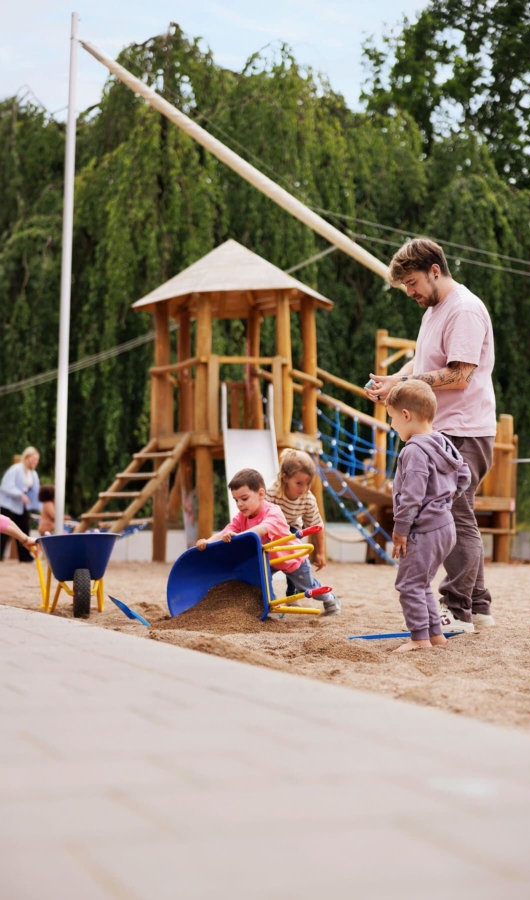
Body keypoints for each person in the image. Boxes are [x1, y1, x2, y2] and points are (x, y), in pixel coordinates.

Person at [366, 239, 496, 632]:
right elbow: (427, 361)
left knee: (453, 515)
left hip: (465, 429)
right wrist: (395, 380)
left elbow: (458, 375)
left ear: (434, 270)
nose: (410, 292)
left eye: (411, 282)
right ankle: (478, 604)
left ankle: (456, 609)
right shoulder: (435, 310)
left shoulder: (464, 309)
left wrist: (405, 384)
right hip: (446, 428)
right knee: (459, 513)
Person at [387, 381, 471, 652]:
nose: (392, 425)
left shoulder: (413, 450)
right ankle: (436, 635)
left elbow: (412, 495)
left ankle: (419, 639)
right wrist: (444, 500)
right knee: (422, 582)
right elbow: (465, 476)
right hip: (446, 526)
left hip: (423, 530)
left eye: (392, 418)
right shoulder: (443, 442)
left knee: (409, 584)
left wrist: (401, 528)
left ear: (406, 415)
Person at [196, 467, 340, 615]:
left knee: (307, 588)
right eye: (236, 500)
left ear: (261, 494)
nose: (239, 504)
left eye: (244, 499)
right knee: (259, 582)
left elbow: (261, 530)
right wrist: (208, 541)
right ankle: (273, 609)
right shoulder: (241, 517)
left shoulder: (273, 512)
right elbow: (225, 531)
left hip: (292, 558)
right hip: (269, 560)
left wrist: (237, 537)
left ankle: (329, 598)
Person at [0, 446, 41, 562]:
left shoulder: (33, 474)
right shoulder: (16, 469)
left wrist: (39, 507)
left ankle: (25, 556)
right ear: (27, 457)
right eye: (34, 459)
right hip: (8, 504)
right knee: (4, 531)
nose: (36, 462)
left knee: (24, 528)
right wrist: (20, 494)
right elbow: (5, 486)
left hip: (21, 506)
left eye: (37, 460)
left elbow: (35, 492)